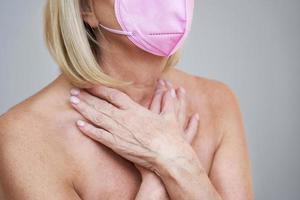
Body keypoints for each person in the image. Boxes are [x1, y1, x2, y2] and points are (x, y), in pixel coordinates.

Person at [0, 0, 253, 199]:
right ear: (86, 8)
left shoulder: (218, 103)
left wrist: (178, 162)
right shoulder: (23, 137)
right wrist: (159, 177)